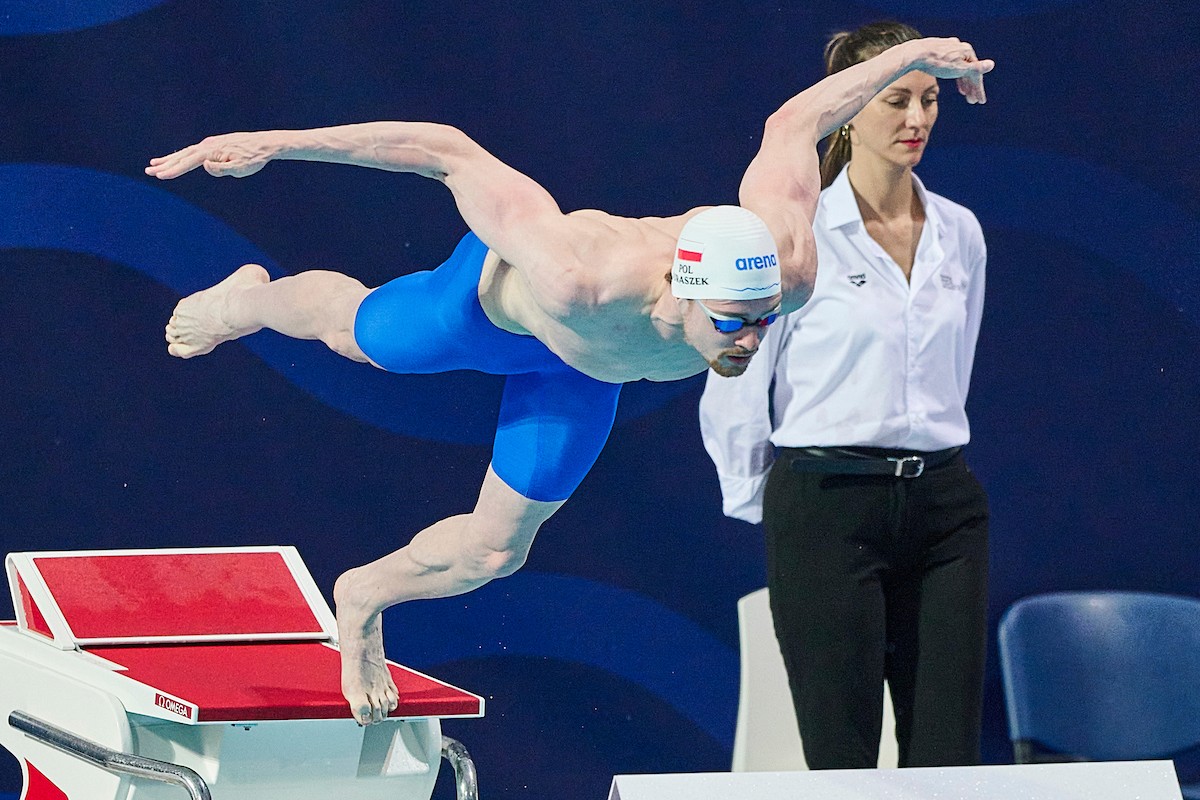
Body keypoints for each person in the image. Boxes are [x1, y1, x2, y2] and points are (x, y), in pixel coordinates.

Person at [146, 36, 991, 726]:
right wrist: (278, 146)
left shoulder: (787, 262)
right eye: (732, 323)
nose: (750, 341)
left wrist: (918, 54)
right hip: (491, 312)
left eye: (764, 317)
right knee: (356, 334)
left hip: (586, 372)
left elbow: (795, 121)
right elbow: (442, 151)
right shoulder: (576, 272)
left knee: (495, 550)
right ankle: (249, 300)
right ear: (683, 292)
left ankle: (362, 598)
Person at [699, 22, 989, 768]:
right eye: (896, 99)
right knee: (842, 755)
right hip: (827, 501)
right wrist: (774, 507)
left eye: (929, 99)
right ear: (851, 109)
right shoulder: (794, 233)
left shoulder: (961, 232)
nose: (917, 118)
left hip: (944, 508)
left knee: (947, 756)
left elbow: (953, 371)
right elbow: (734, 377)